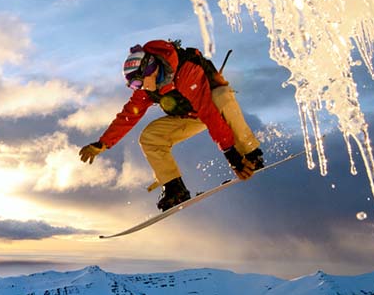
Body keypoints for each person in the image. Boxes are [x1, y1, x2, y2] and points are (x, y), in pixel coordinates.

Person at [77, 40, 264, 211]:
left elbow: (208, 112)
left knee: (221, 97)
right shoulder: (148, 90)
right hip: (191, 116)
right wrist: (103, 143)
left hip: (214, 107)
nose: (137, 87)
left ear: (149, 70)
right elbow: (128, 115)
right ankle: (175, 188)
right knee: (150, 137)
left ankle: (251, 153)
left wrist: (232, 155)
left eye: (136, 82)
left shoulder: (186, 71)